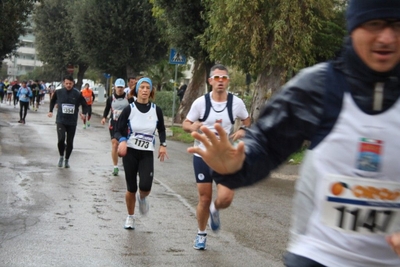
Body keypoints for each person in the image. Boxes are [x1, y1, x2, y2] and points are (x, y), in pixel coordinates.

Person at [188, 1, 400, 266]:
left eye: (397, 26)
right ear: (354, 27)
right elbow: (266, 142)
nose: (387, 38)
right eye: (375, 24)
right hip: (318, 255)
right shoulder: (318, 87)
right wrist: (238, 163)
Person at [182, 63, 251, 250]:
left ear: (227, 81)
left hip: (223, 156)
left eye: (224, 78)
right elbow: (185, 123)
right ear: (210, 81)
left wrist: (243, 130)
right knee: (204, 198)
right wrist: (192, 126)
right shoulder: (200, 103)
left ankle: (216, 209)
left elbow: (247, 120)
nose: (220, 81)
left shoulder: (236, 103)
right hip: (203, 155)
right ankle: (201, 234)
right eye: (217, 78)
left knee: (227, 197)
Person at [114, 77, 168, 230]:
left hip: (146, 154)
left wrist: (163, 145)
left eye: (147, 87)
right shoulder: (129, 109)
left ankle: (143, 198)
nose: (145, 90)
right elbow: (118, 129)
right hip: (130, 152)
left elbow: (162, 129)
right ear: (137, 90)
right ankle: (130, 217)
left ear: (151, 91)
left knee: (145, 186)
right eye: (142, 87)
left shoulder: (156, 110)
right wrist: (123, 140)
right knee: (131, 188)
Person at [48, 76, 88, 168]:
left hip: (72, 122)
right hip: (61, 120)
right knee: (61, 140)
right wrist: (50, 111)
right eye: (67, 83)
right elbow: (52, 100)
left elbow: (84, 104)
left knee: (70, 142)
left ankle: (67, 160)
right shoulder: (59, 92)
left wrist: (84, 113)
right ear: (63, 83)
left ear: (73, 83)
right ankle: (61, 156)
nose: (68, 85)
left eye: (70, 83)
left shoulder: (77, 94)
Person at [101, 78, 130, 176]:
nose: (120, 89)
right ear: (115, 87)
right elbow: (107, 109)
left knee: (125, 145)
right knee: (114, 144)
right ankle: (115, 167)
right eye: (118, 87)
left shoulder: (129, 98)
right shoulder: (111, 98)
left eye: (122, 87)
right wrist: (104, 117)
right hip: (114, 123)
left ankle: (127, 164)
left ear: (124, 88)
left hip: (126, 124)